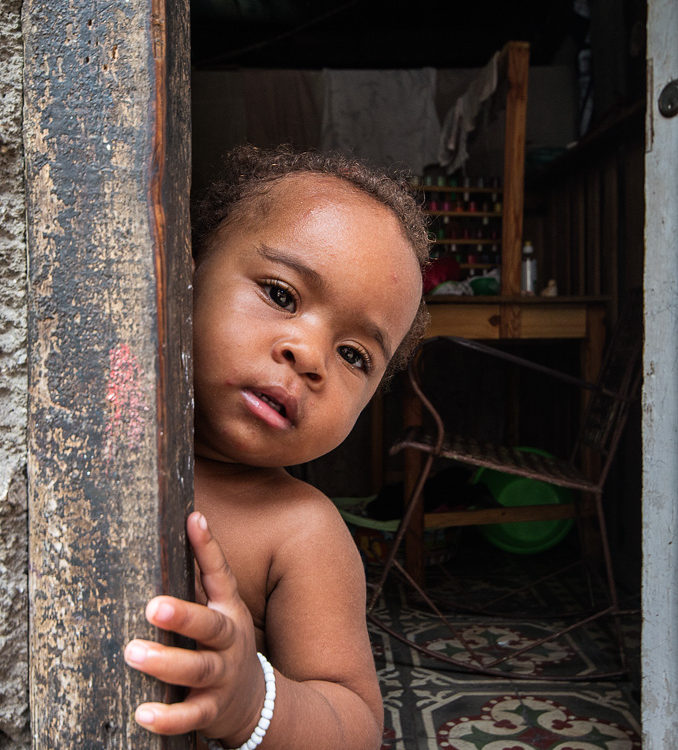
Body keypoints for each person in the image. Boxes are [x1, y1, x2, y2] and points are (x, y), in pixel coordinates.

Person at [124, 145, 430, 749]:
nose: (310, 356)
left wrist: (252, 701)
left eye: (353, 356)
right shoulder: (98, 426)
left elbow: (357, 727)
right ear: (186, 271)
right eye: (282, 295)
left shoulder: (302, 533)